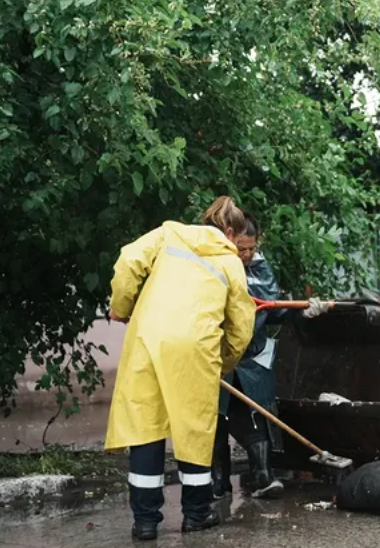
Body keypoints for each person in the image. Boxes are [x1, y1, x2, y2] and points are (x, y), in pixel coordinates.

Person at [104, 196, 256, 541]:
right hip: (195, 349)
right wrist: (224, 362)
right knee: (194, 431)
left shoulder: (168, 233)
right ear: (229, 232)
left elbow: (128, 260)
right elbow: (241, 328)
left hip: (147, 341)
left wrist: (120, 307)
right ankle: (196, 515)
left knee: (145, 427)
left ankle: (145, 523)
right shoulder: (230, 263)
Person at [211, 212, 329, 500]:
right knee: (215, 421)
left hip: (251, 358)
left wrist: (302, 312)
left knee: (256, 415)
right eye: (241, 249)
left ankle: (263, 477)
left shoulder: (260, 269)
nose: (247, 255)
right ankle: (216, 484)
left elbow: (273, 310)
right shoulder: (214, 266)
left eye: (251, 248)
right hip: (217, 357)